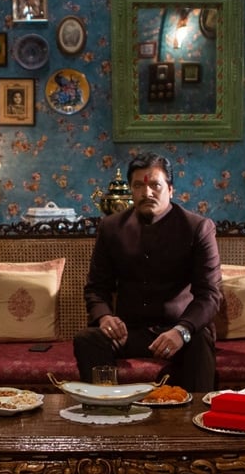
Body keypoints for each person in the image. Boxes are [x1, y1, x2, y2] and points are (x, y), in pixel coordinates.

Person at [74, 152, 221, 391]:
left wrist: (182, 330)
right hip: (129, 332)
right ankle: (106, 405)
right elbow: (97, 288)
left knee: (199, 338)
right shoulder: (112, 228)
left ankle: (195, 414)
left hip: (180, 330)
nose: (147, 193)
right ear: (131, 191)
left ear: (170, 190)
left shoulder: (197, 228)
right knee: (87, 339)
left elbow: (210, 295)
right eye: (139, 186)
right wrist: (105, 318)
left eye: (155, 185)